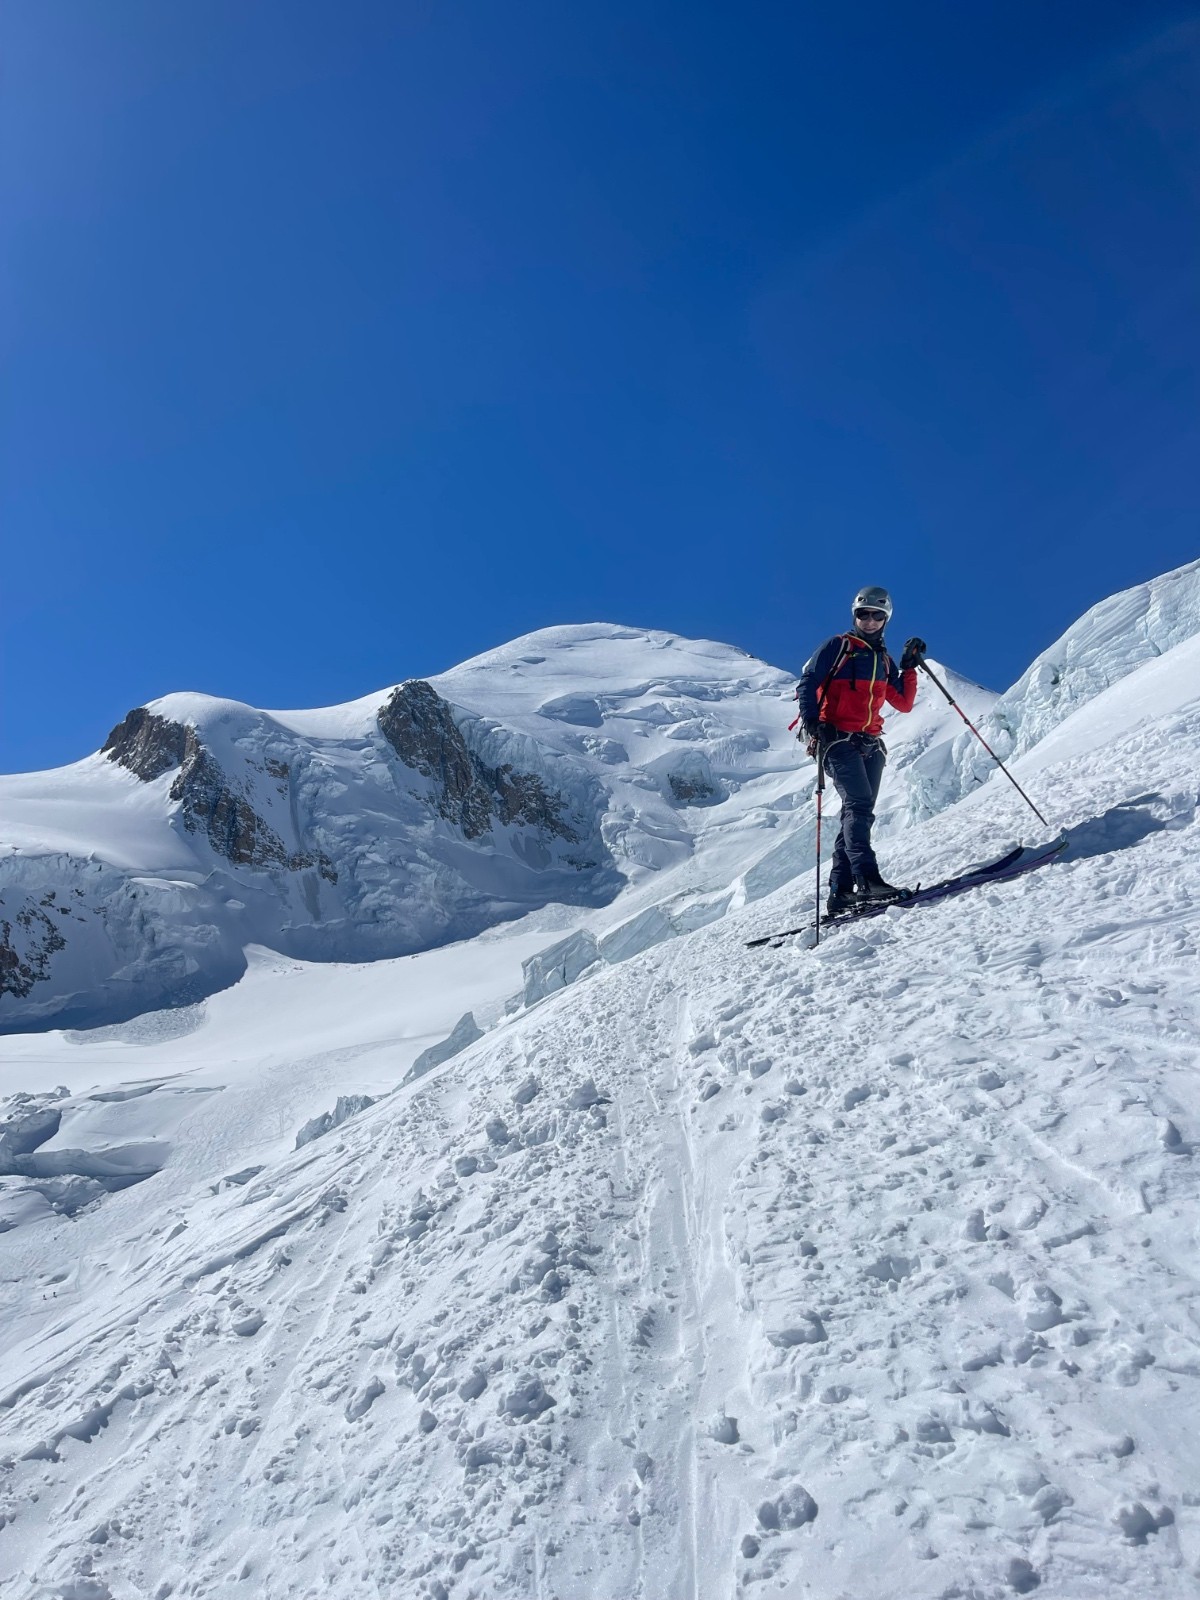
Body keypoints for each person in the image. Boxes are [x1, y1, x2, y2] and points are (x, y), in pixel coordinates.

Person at [797, 586, 927, 917]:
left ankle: (841, 892)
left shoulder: (884, 661)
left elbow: (904, 703)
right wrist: (813, 723)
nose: (869, 620)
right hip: (835, 738)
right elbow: (808, 681)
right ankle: (867, 880)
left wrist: (909, 668)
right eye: (863, 614)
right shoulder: (838, 647)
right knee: (858, 805)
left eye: (877, 615)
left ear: (886, 619)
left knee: (860, 811)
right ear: (854, 616)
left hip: (870, 743)